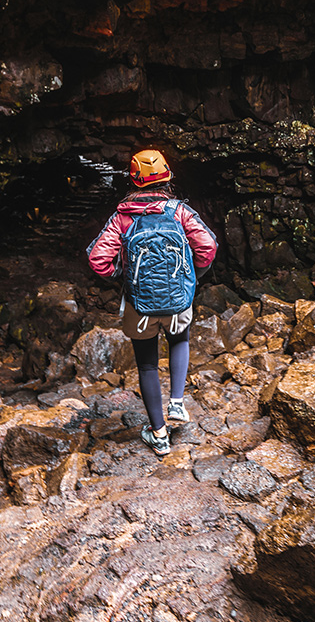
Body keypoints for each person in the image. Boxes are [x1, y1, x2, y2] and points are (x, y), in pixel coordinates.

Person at [87, 149, 218, 457]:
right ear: (167, 178)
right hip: (177, 299)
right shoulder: (179, 212)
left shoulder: (122, 217)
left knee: (146, 363)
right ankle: (177, 403)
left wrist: (124, 274)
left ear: (133, 181)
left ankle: (159, 436)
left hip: (139, 305)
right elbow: (208, 247)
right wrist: (191, 276)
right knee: (179, 340)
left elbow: (98, 261)